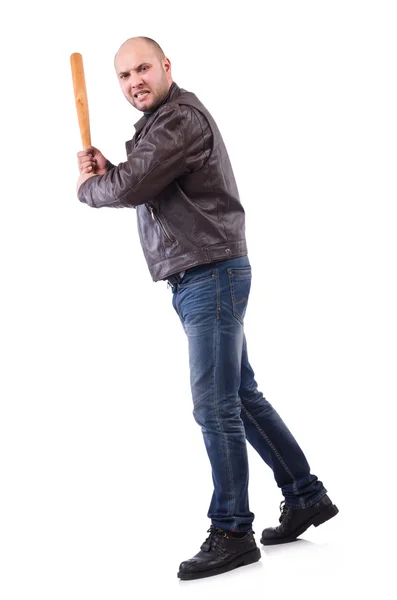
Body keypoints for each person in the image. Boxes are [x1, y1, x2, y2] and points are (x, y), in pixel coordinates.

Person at [76, 36, 338, 581]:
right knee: (239, 396)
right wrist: (112, 168)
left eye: (142, 68)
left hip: (210, 275)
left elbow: (131, 185)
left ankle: (233, 531)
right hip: (204, 274)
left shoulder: (178, 120)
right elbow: (143, 176)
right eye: (124, 76)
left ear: (166, 66)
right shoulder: (163, 125)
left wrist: (92, 185)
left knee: (214, 405)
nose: (134, 82)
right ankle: (305, 494)